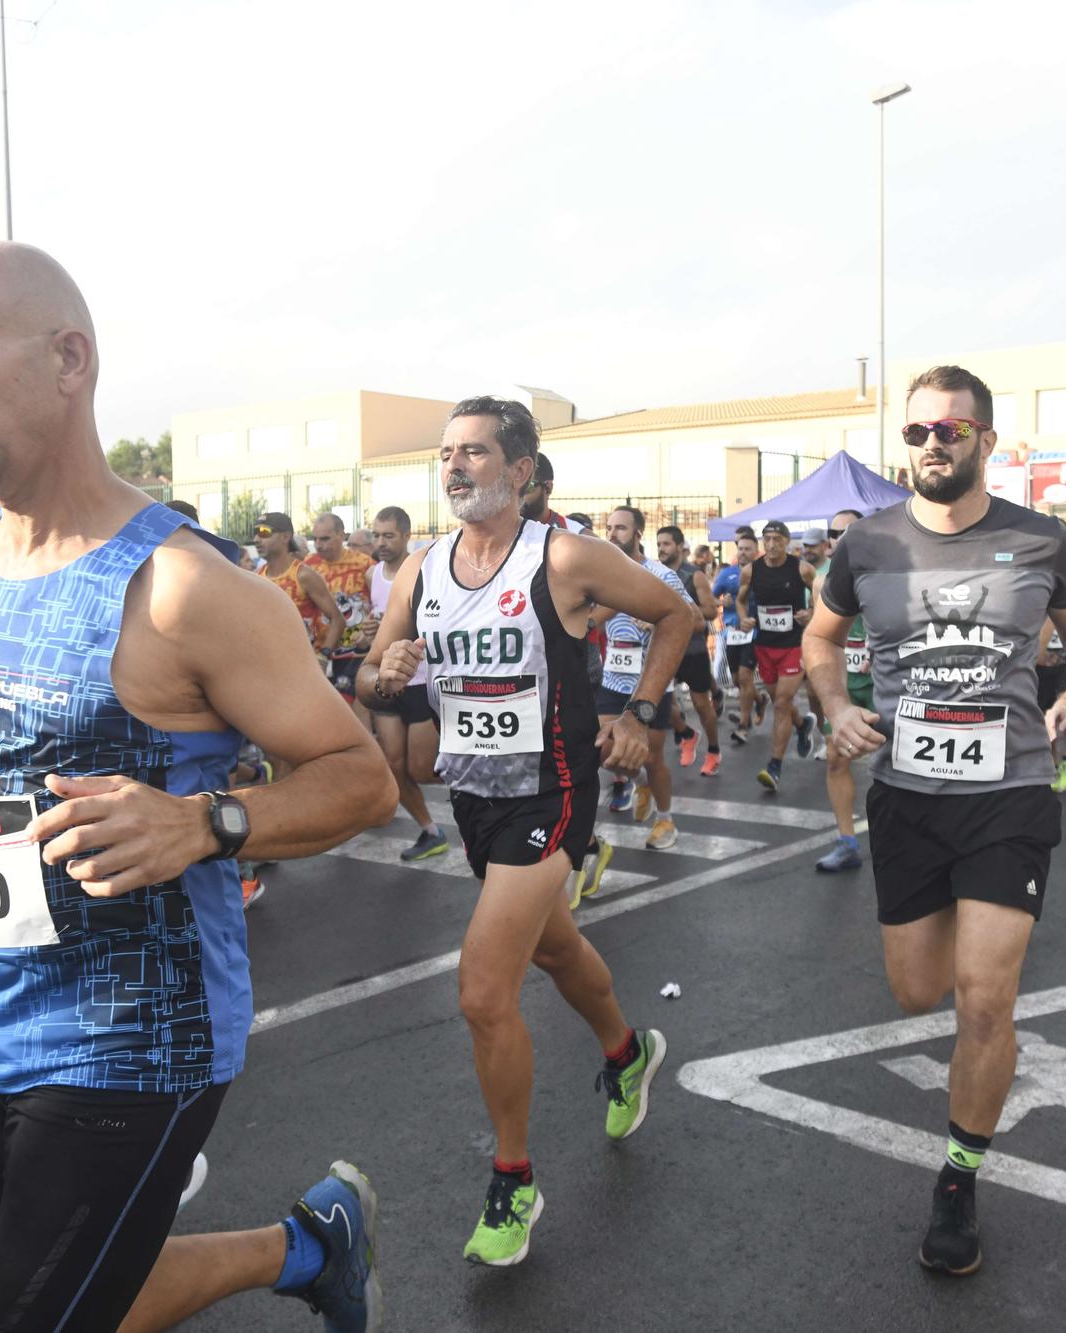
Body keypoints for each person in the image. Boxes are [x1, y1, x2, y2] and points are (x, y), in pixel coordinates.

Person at [0, 241, 392, 1332]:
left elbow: (359, 780)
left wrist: (204, 820)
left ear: (68, 360)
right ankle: (311, 1247)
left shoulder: (184, 586)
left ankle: (309, 1247)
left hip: (134, 1044)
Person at [805, 365, 1066, 1277]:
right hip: (904, 794)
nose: (932, 445)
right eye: (917, 433)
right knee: (916, 991)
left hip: (1010, 793)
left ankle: (959, 1177)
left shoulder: (1040, 537)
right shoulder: (867, 544)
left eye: (951, 430)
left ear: (986, 438)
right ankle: (970, 1068)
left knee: (985, 997)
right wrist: (834, 707)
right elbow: (822, 639)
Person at [359, 395, 681, 1266]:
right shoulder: (425, 568)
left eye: (474, 452)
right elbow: (371, 674)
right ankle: (627, 1051)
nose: (455, 466)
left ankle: (514, 1179)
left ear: (521, 471)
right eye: (446, 453)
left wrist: (641, 714)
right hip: (477, 795)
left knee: (482, 987)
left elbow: (676, 614)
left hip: (556, 790)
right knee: (553, 947)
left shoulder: (566, 556)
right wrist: (385, 669)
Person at [597, 508, 695, 852]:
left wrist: (658, 623)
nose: (612, 534)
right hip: (613, 677)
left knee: (652, 758)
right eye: (609, 528)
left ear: (638, 533)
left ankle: (665, 819)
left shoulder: (661, 576)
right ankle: (641, 784)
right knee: (604, 751)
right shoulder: (602, 573)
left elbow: (692, 621)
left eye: (620, 528)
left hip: (651, 684)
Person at [365, 505, 448, 862]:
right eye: (376, 535)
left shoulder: (424, 572)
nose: (381, 543)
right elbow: (378, 625)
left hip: (420, 681)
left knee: (421, 769)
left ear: (405, 535)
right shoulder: (372, 575)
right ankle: (431, 831)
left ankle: (477, 789)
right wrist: (373, 631)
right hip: (386, 681)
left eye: (389, 535)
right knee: (391, 764)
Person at [739, 519, 820, 791]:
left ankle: (774, 767)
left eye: (777, 539)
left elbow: (820, 596)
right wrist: (742, 618)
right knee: (778, 702)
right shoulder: (751, 571)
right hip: (765, 646)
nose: (772, 545)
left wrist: (810, 613)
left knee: (783, 702)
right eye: (767, 539)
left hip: (793, 646)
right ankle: (802, 725)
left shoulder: (802, 568)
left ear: (787, 542)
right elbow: (740, 600)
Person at [811, 509, 869, 872]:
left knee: (899, 763)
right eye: (834, 531)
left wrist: (881, 650)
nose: (839, 537)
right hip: (845, 680)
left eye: (848, 531)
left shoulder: (884, 570)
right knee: (836, 757)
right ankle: (847, 841)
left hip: (882, 677)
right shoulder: (820, 578)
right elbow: (820, 635)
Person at [655, 525, 722, 775]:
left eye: (666, 544)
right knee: (658, 699)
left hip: (692, 649)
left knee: (701, 705)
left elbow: (711, 611)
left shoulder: (694, 576)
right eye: (659, 544)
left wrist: (682, 610)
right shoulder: (655, 572)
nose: (661, 549)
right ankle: (686, 733)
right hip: (663, 647)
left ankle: (714, 750)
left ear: (680, 546)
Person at [307, 512, 376, 714]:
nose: (319, 545)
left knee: (354, 713)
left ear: (341, 536)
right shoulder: (308, 565)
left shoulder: (365, 564)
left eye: (325, 539)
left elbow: (380, 602)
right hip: (321, 653)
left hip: (357, 652)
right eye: (315, 539)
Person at [256, 512, 344, 657]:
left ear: (285, 537)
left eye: (264, 533)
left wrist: (323, 656)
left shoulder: (303, 575)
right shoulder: (256, 577)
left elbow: (337, 619)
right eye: (255, 533)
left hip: (304, 666)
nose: (256, 539)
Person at [716, 529, 759, 743]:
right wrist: (720, 603)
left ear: (756, 551)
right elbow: (710, 598)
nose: (743, 553)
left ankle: (744, 724)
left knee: (744, 676)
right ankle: (759, 700)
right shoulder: (727, 574)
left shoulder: (762, 573)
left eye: (748, 549)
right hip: (732, 633)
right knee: (736, 680)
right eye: (740, 549)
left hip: (754, 633)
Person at [517, 451, 586, 533]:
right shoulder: (501, 532)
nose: (518, 494)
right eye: (512, 486)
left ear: (548, 488)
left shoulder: (576, 535)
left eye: (528, 486)